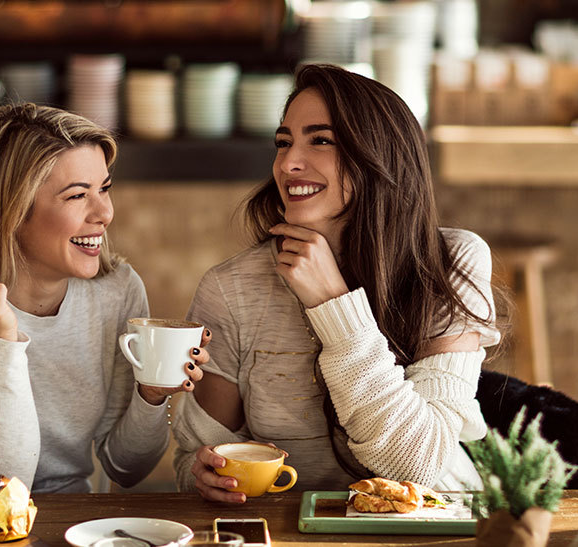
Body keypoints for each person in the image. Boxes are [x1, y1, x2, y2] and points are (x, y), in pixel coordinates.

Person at [173, 64, 500, 501]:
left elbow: (419, 464)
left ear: (379, 156)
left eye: (321, 140)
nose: (288, 163)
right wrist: (204, 476)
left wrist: (333, 303)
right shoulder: (231, 289)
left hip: (433, 529)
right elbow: (193, 460)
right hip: (291, 532)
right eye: (284, 142)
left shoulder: (450, 263)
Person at [0, 103, 210, 493]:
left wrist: (151, 395)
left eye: (104, 188)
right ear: (11, 209)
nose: (105, 213)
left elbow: (127, 468)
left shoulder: (117, 289)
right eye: (77, 196)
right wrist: (2, 341)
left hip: (77, 527)